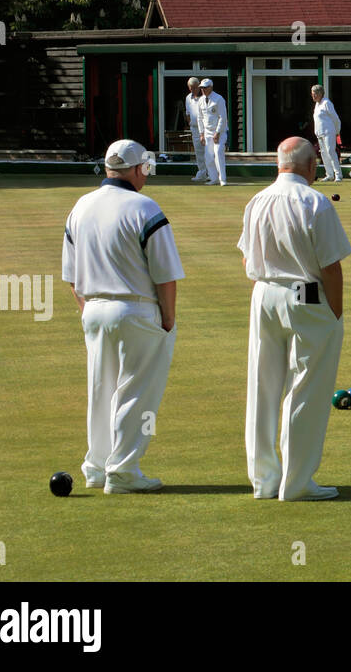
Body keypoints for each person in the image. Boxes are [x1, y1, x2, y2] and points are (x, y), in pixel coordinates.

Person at [62, 139, 182, 494]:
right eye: (143, 168)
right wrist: (168, 319)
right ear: (134, 170)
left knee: (101, 390)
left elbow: (71, 276)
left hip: (94, 310)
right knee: (138, 393)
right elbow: (165, 275)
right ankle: (124, 470)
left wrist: (88, 311)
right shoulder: (145, 208)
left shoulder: (80, 207)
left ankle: (97, 467)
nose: (146, 174)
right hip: (137, 309)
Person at [238, 137, 351, 502]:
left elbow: (246, 260)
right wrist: (335, 312)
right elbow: (330, 266)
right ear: (311, 166)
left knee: (263, 386)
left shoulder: (256, 200)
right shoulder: (314, 202)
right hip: (306, 292)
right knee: (307, 384)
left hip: (264, 292)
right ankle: (297, 481)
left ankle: (264, 480)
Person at [197, 78, 228, 186]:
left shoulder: (219, 99)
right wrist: (201, 134)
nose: (203, 90)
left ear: (211, 87)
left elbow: (223, 117)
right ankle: (214, 178)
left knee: (218, 153)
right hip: (207, 132)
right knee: (208, 157)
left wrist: (217, 132)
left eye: (205, 87)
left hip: (220, 131)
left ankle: (222, 179)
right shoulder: (200, 100)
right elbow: (200, 118)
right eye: (201, 88)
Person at [311, 84, 344, 183]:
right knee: (324, 154)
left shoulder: (327, 103)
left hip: (329, 132)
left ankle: (338, 175)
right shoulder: (317, 104)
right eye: (312, 94)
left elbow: (336, 119)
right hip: (320, 133)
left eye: (314, 94)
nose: (313, 96)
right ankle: (329, 175)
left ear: (320, 93)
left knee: (331, 152)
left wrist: (337, 131)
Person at [185, 76, 207, 182]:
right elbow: (187, 113)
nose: (193, 90)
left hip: (205, 128)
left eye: (195, 87)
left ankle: (211, 174)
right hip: (194, 129)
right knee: (198, 152)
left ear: (198, 87)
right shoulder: (188, 98)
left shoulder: (204, 98)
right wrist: (190, 122)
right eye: (191, 88)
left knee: (208, 151)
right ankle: (202, 173)